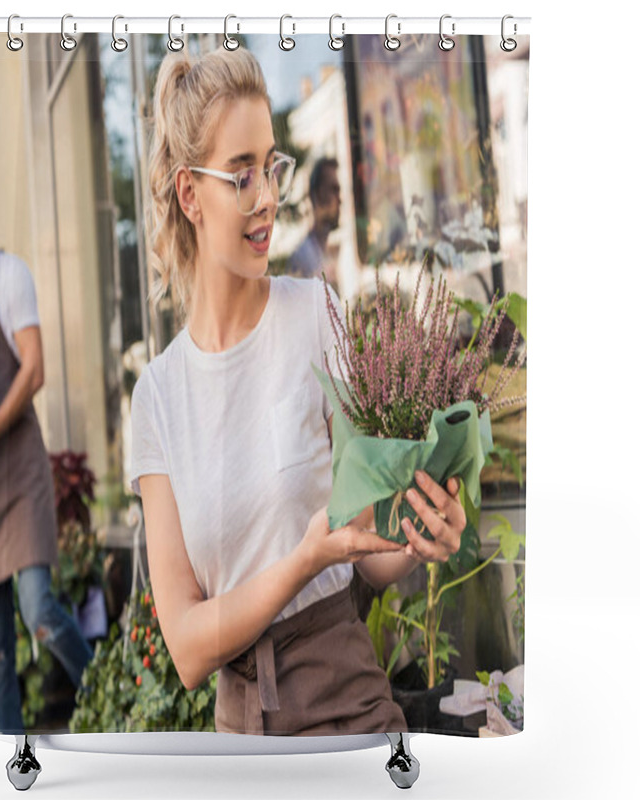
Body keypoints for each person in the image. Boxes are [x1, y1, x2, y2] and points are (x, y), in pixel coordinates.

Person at [131, 47, 466, 736]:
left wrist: (425, 537)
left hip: (344, 702)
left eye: (271, 165)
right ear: (190, 194)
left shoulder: (315, 313)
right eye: (241, 173)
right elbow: (189, 648)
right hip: (241, 736)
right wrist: (303, 560)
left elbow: (364, 548)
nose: (267, 196)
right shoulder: (158, 398)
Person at [0, 157, 92, 734]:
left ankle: (112, 708)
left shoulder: (13, 276)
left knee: (40, 612)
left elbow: (34, 371)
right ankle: (11, 765)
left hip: (19, 469)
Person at [288, 157, 341, 288]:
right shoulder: (303, 258)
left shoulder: (328, 253)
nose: (339, 200)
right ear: (316, 195)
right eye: (333, 190)